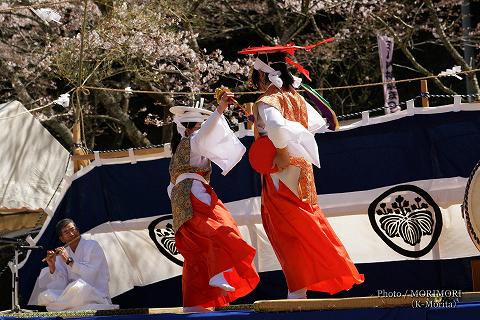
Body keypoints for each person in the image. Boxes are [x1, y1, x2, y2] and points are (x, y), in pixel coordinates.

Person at [245, 50, 364, 299]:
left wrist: (280, 150)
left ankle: (297, 290)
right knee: (303, 224)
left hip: (281, 169)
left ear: (264, 75)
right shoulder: (296, 97)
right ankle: (299, 289)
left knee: (286, 231)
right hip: (302, 167)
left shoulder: (269, 99)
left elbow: (277, 126)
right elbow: (315, 124)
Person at [168, 94, 260, 312]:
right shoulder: (195, 141)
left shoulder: (179, 149)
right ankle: (218, 272)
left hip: (179, 199)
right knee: (223, 228)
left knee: (197, 251)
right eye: (200, 125)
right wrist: (220, 108)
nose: (203, 129)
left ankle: (194, 304)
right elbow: (208, 130)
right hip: (194, 191)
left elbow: (170, 187)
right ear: (192, 127)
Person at [35, 218, 115, 311]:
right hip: (72, 294)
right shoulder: (63, 253)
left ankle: (65, 302)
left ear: (77, 230)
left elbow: (92, 274)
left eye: (73, 230)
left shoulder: (92, 246)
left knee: (78, 288)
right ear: (62, 239)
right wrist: (52, 266)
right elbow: (60, 284)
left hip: (94, 293)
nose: (72, 234)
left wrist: (69, 261)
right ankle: (67, 301)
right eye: (66, 232)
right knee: (46, 295)